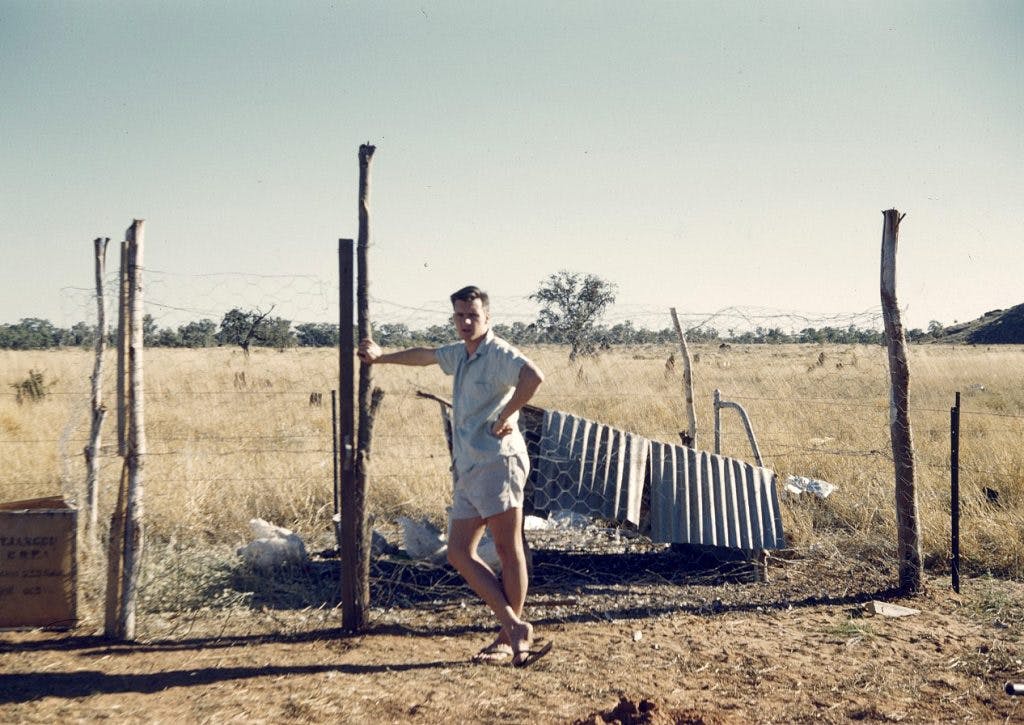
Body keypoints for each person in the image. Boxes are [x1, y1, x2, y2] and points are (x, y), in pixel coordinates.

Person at [358, 285, 546, 666]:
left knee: (509, 551)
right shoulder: (460, 353)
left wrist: (509, 413)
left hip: (499, 462)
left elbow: (532, 376)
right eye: (459, 315)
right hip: (470, 466)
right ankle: (514, 625)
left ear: (487, 317)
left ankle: (507, 639)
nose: (465, 322)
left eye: (472, 315)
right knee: (460, 553)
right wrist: (379, 358)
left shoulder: (497, 353)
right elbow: (425, 355)